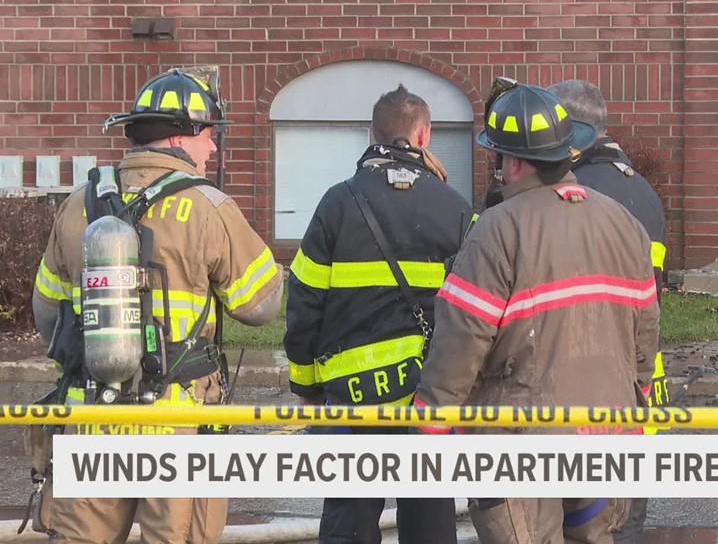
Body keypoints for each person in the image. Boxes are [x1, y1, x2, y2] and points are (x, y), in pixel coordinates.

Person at [31, 68, 284, 544]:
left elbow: (48, 315)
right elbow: (262, 304)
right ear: (183, 135)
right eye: (210, 135)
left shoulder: (78, 204)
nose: (213, 149)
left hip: (93, 415)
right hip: (177, 420)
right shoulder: (208, 205)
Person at [414, 80, 660, 544]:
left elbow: (462, 337)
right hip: (607, 432)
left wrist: (432, 421)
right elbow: (645, 328)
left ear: (515, 161)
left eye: (501, 158)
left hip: (519, 441)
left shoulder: (498, 229)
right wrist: (637, 393)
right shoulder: (625, 224)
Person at [284, 84, 469, 544]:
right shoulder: (456, 209)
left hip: (352, 400)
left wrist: (306, 387)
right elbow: (475, 313)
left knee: (348, 522)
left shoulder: (336, 203)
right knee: (429, 521)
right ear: (424, 137)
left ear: (372, 133)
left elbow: (304, 303)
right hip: (427, 400)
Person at [546, 79, 667, 544]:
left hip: (578, 385)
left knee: (577, 524)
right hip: (638, 385)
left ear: (574, 134)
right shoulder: (645, 194)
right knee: (625, 521)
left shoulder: (567, 193)